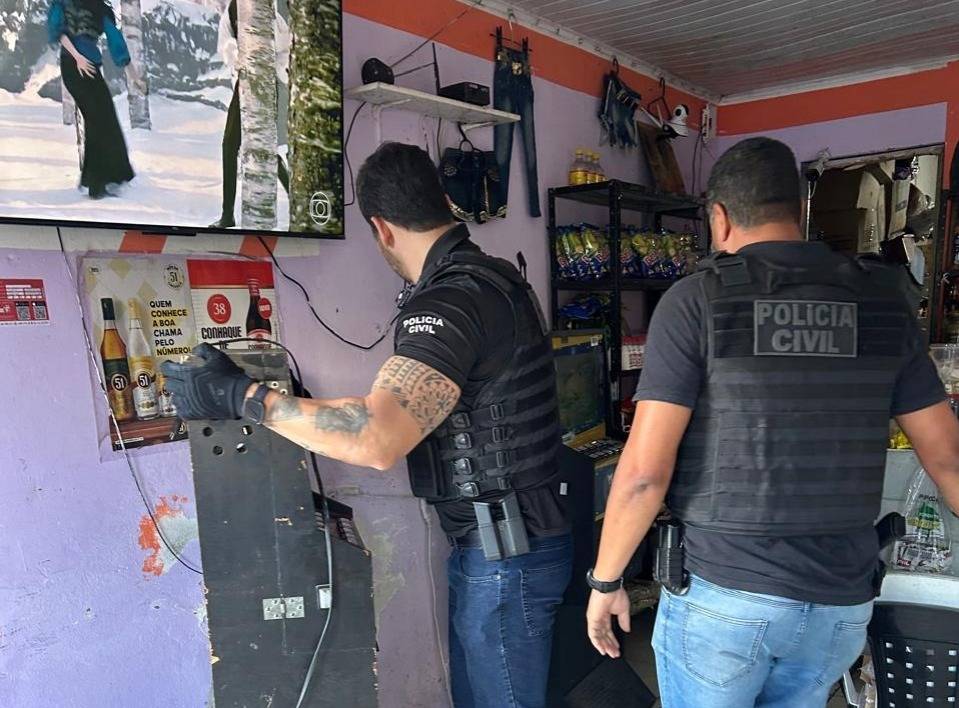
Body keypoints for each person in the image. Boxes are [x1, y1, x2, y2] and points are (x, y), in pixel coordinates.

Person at [162, 142, 573, 708]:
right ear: (442, 201)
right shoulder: (493, 278)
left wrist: (241, 396)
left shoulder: (451, 300)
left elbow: (375, 438)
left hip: (506, 555)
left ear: (380, 228)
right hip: (506, 544)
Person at [584, 137, 959, 708]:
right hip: (839, 604)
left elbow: (642, 474)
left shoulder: (696, 302)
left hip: (725, 600)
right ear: (797, 212)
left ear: (719, 217)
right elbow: (948, 457)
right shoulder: (882, 303)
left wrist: (606, 581)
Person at [210, 0, 290, 228]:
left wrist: (271, 70)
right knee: (243, 145)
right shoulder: (233, 9)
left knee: (257, 145)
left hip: (267, 83)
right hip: (245, 82)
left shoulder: (269, 10)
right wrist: (240, 58)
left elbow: (285, 47)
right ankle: (227, 214)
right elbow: (225, 44)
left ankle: (228, 215)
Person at [48, 0, 137, 199]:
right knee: (97, 120)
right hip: (73, 64)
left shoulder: (100, 8)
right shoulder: (65, 3)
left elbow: (115, 40)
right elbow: (59, 32)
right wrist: (78, 57)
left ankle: (103, 178)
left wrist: (134, 75)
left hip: (91, 66)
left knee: (106, 117)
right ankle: (97, 184)